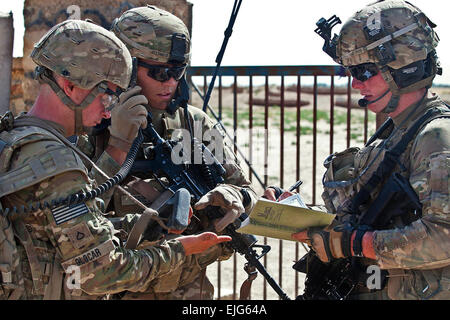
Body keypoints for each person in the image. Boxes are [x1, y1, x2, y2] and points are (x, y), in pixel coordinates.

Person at [0, 19, 230, 300]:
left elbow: (67, 229)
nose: (109, 111)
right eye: (106, 94)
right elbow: (102, 273)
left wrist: (150, 222)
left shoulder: (12, 136)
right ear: (70, 85)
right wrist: (180, 250)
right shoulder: (57, 161)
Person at [267, 0, 449, 300]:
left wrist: (353, 244)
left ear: (402, 67)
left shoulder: (436, 137)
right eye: (349, 72)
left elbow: (444, 236)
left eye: (363, 72)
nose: (354, 84)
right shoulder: (396, 133)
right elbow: (374, 219)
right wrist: (302, 216)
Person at [74, 5, 258, 300]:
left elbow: (247, 194)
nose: (170, 83)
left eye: (177, 72)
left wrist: (236, 196)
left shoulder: (193, 122)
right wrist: (117, 145)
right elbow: (76, 218)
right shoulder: (89, 126)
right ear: (126, 68)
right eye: (158, 72)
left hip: (188, 294)